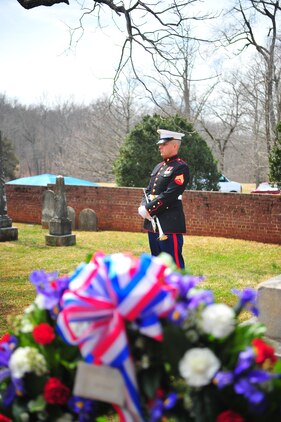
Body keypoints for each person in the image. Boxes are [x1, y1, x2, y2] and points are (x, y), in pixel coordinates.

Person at [138, 128, 190, 269]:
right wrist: (143, 206)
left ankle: (179, 290)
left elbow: (170, 194)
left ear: (175, 145)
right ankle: (160, 291)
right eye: (160, 144)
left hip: (169, 222)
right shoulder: (158, 167)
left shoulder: (181, 168)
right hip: (153, 224)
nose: (160, 146)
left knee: (173, 264)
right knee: (156, 264)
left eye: (164, 144)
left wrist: (149, 209)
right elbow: (148, 190)